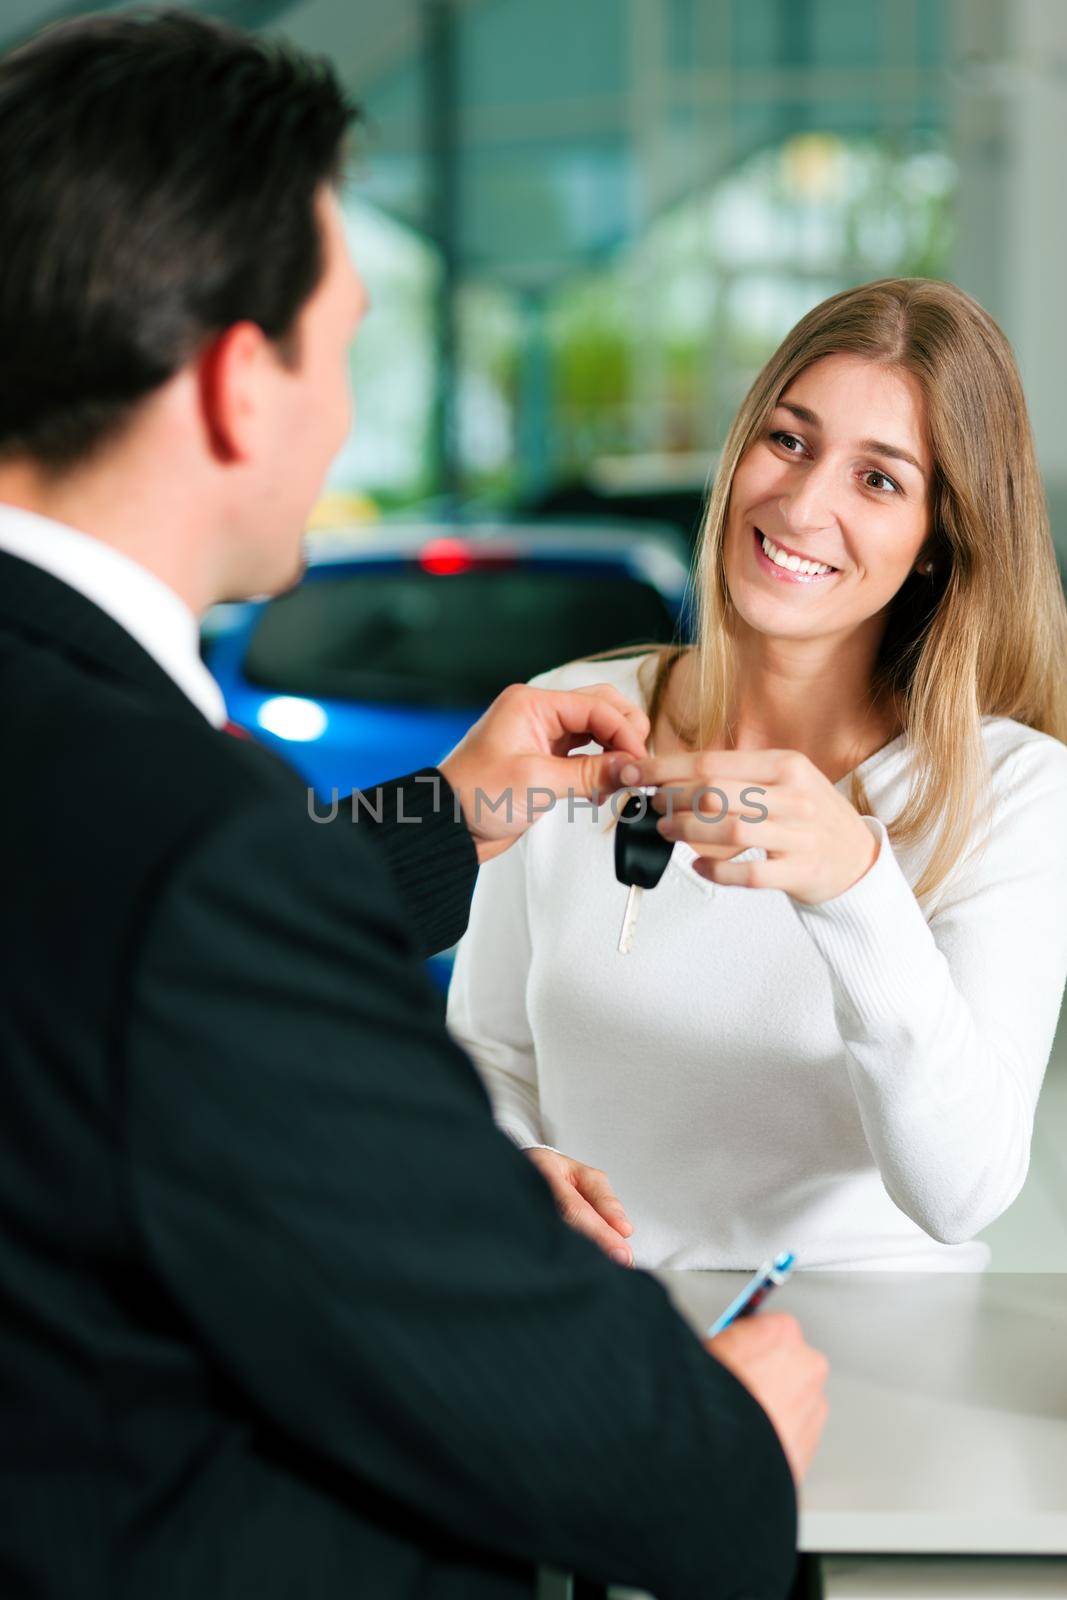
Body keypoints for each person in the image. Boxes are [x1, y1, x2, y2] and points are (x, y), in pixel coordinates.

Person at [0, 10, 830, 1599]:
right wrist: (719, 1439)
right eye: (346, 341)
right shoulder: (203, 848)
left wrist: (437, 819)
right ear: (244, 385)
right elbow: (601, 1446)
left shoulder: (106, 772)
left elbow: (94, 952)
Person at [448, 277, 1067, 1274]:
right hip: (590, 1337)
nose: (803, 501)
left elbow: (962, 1193)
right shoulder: (571, 718)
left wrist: (855, 884)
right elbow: (486, 1046)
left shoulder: (1016, 790)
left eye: (878, 479)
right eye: (788, 439)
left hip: (875, 1363)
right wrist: (512, 1161)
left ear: (932, 544)